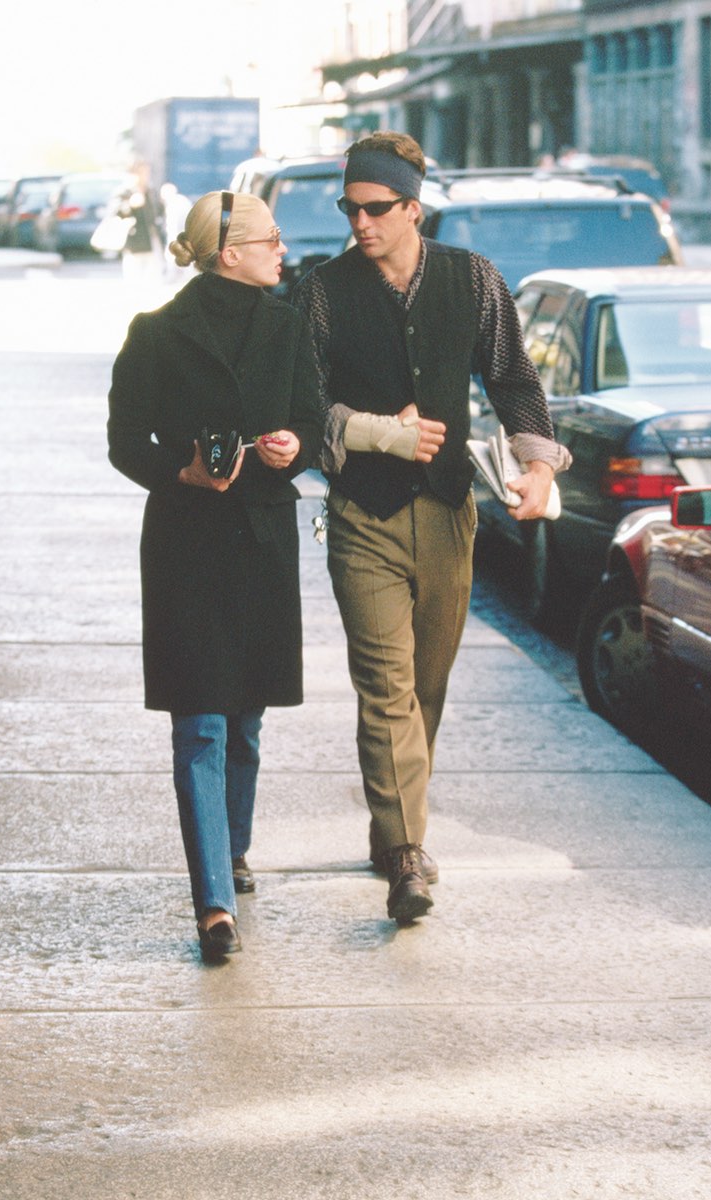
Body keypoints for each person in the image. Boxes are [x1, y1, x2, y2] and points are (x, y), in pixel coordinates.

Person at [293, 131, 571, 925]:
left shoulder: (473, 279)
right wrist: (378, 430)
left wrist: (539, 467)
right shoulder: (321, 291)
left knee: (426, 688)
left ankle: (394, 824)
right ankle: (408, 853)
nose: (360, 224)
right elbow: (304, 412)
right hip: (362, 516)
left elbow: (514, 378)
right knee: (385, 688)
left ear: (414, 209)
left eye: (376, 210)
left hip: (450, 513)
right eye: (350, 209)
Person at [107, 191, 323, 962]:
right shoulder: (157, 334)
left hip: (262, 537)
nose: (282, 250)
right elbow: (125, 440)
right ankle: (214, 905)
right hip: (186, 542)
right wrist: (186, 470)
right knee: (200, 719)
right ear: (228, 252)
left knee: (246, 720)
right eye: (269, 240)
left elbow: (314, 422)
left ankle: (231, 849)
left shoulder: (289, 326)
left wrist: (293, 445)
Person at [116, 162, 163, 284]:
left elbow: (157, 212)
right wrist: (130, 205)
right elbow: (115, 212)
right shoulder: (125, 191)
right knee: (134, 278)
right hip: (133, 241)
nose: (145, 176)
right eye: (142, 173)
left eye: (147, 173)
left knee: (153, 278)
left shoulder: (150, 191)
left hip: (151, 239)